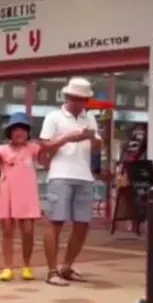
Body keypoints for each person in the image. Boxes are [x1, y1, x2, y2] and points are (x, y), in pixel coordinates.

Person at [0, 112, 88, 282]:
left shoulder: (33, 148)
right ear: (9, 133)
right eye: (15, 130)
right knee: (7, 231)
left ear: (28, 132)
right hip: (6, 192)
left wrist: (61, 144)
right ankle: (7, 267)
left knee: (28, 232)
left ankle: (26, 266)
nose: (19, 133)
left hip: (27, 193)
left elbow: (46, 157)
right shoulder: (1, 150)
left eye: (23, 130)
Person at [38, 77, 102, 286]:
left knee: (82, 224)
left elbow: (97, 148)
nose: (79, 103)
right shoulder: (53, 117)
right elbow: (44, 146)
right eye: (75, 98)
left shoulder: (90, 119)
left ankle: (67, 265)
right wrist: (67, 138)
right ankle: (51, 270)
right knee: (55, 222)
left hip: (84, 175)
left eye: (83, 99)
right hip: (60, 174)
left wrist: (93, 139)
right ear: (67, 97)